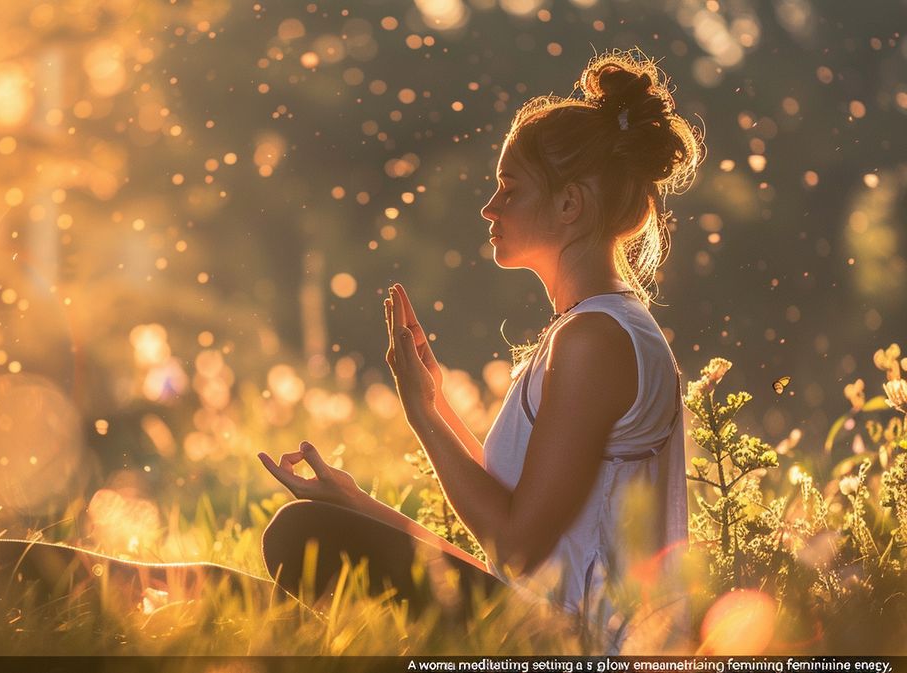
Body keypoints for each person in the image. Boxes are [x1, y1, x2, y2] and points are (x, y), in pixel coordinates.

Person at [258, 49, 702, 653]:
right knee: (238, 595)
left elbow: (516, 549)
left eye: (509, 189)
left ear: (569, 205)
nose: (489, 208)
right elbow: (505, 565)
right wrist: (368, 496)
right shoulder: (585, 331)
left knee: (301, 536)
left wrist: (420, 416)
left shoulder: (596, 340)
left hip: (575, 650)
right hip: (543, 631)